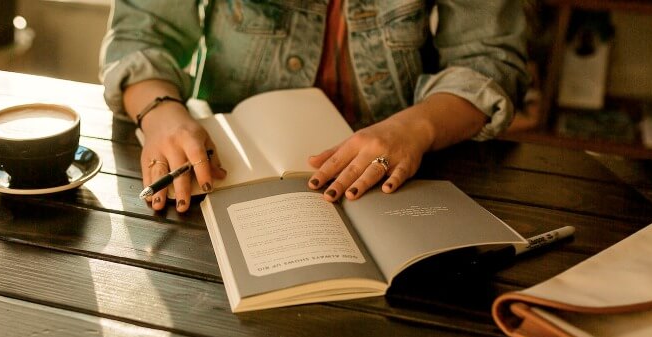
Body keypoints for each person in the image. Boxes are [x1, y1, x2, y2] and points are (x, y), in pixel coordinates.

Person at [100, 0, 528, 212]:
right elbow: (144, 31)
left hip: (401, 173)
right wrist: (162, 115)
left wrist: (414, 129)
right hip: (231, 169)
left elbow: (487, 59)